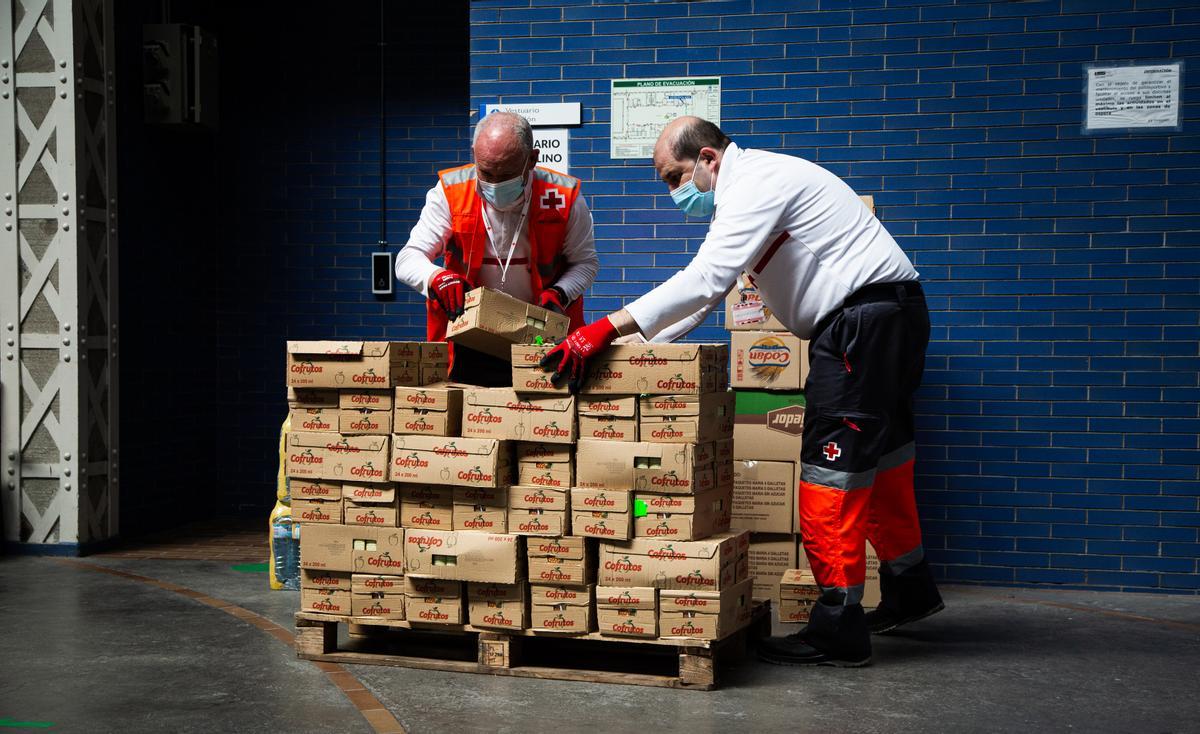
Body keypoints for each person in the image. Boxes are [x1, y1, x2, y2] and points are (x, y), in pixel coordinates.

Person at [539, 116, 943, 667]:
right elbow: (710, 297)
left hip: (858, 328)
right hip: (889, 319)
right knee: (886, 460)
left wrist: (602, 329)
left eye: (673, 177)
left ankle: (838, 627)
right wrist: (637, 351)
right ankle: (910, 588)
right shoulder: (753, 189)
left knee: (831, 472)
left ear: (708, 157)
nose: (674, 192)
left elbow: (705, 278)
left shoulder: (753, 183)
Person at [395, 111, 599, 385]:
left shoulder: (563, 197)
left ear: (532, 159)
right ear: (474, 155)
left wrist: (561, 293)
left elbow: (585, 263)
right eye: (486, 172)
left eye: (507, 174)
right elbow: (408, 259)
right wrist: (437, 278)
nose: (494, 184)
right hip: (468, 336)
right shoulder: (450, 192)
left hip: (541, 336)